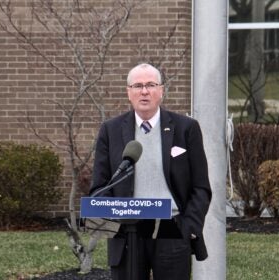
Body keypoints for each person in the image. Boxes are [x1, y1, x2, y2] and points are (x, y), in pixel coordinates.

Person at [90, 63, 212, 280]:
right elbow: (100, 186)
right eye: (137, 86)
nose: (144, 91)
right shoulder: (110, 130)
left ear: (161, 90)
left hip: (172, 231)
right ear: (129, 92)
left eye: (150, 85)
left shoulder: (186, 128)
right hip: (127, 232)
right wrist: (113, 220)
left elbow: (201, 187)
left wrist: (187, 227)